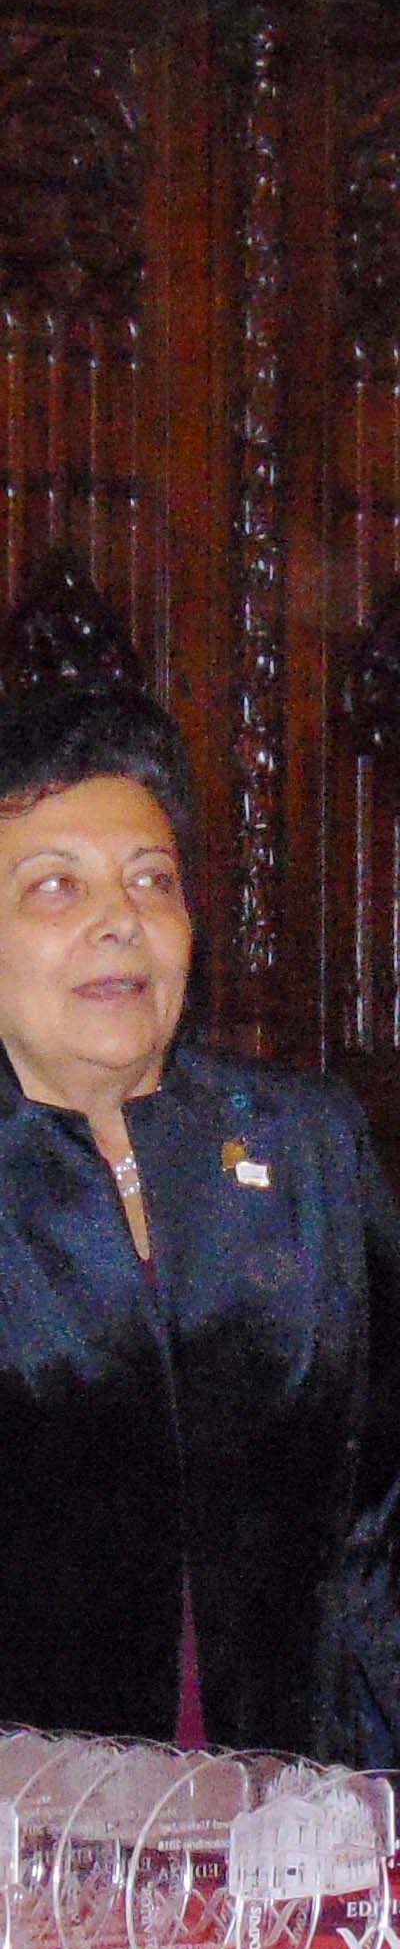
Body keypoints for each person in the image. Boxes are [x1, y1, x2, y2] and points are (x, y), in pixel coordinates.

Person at [0, 550, 398, 1766]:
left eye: (152, 880)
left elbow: (383, 1525)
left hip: (294, 1825)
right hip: (36, 1852)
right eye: (54, 887)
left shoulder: (304, 1147)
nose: (118, 918)